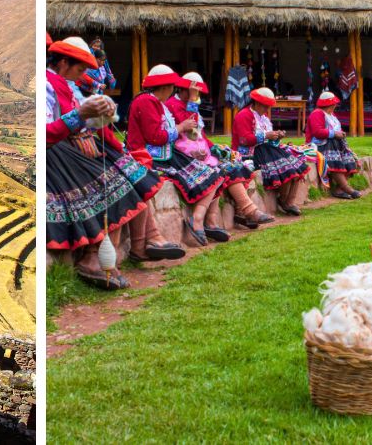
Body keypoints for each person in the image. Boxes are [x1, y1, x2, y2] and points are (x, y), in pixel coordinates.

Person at [42, 36, 180, 290]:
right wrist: (83, 115)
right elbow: (45, 131)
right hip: (57, 153)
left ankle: (137, 244)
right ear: (63, 63)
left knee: (131, 172)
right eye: (80, 70)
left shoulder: (65, 85)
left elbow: (89, 125)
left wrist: (99, 119)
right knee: (117, 181)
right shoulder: (46, 85)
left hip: (75, 147)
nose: (82, 76)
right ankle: (100, 256)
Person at [169, 72, 274, 240]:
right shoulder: (173, 104)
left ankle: (226, 217)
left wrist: (214, 147)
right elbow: (189, 127)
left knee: (234, 166)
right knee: (219, 171)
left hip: (199, 151)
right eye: (196, 92)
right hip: (183, 154)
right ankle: (241, 212)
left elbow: (199, 134)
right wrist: (193, 101)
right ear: (186, 90)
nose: (198, 96)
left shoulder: (187, 103)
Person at [128, 65, 225, 246]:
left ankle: (198, 219)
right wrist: (181, 127)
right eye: (172, 86)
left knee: (216, 173)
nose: (173, 90)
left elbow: (194, 131)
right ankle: (197, 222)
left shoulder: (158, 104)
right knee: (210, 174)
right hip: (152, 156)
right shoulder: (147, 102)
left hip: (168, 154)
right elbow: (155, 137)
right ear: (166, 87)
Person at [233, 87, 311, 215]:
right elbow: (244, 140)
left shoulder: (262, 116)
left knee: (296, 165)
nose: (267, 109)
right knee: (286, 167)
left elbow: (267, 137)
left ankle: (289, 201)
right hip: (252, 152)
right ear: (257, 103)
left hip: (267, 149)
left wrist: (276, 136)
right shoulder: (244, 115)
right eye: (265, 106)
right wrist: (266, 136)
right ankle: (285, 201)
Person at [305, 91, 361, 199]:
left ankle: (339, 190)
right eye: (334, 104)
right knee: (333, 159)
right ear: (330, 105)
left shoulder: (331, 115)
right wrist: (334, 134)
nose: (335, 106)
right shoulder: (317, 113)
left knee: (351, 159)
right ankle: (346, 188)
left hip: (333, 144)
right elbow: (317, 132)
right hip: (319, 145)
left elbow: (336, 130)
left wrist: (340, 133)